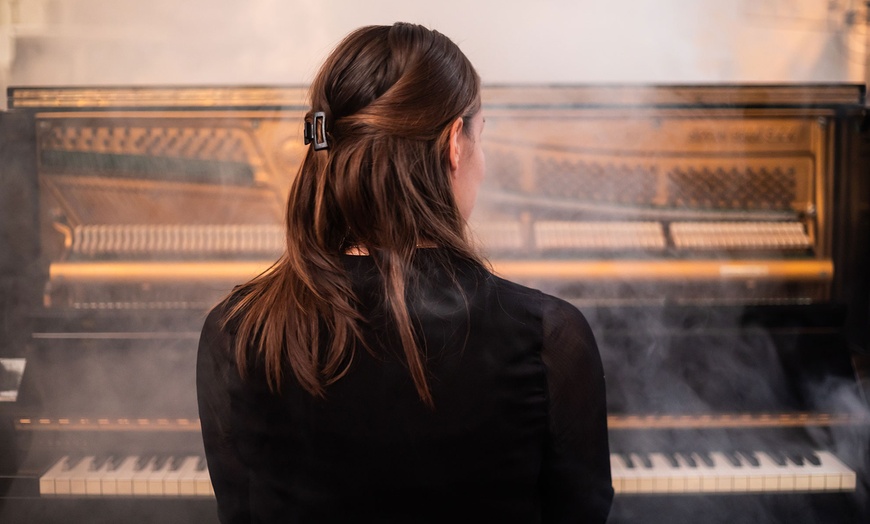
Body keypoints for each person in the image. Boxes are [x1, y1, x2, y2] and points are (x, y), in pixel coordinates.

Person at [197, 22, 613, 523]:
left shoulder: (236, 330)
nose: (481, 160)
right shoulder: (552, 337)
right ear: (455, 143)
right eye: (480, 137)